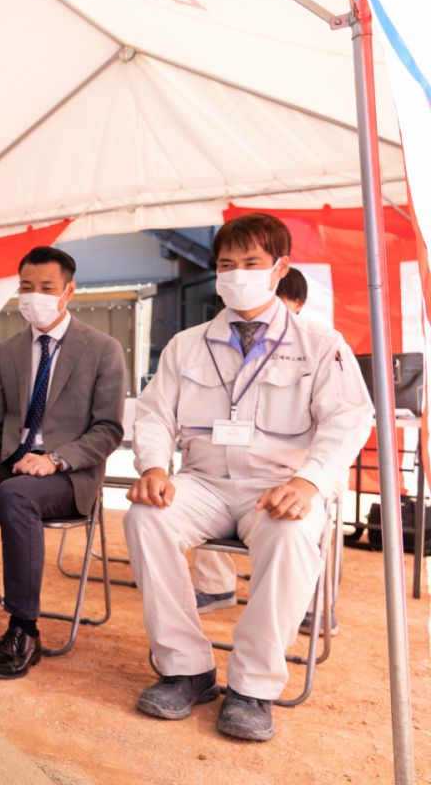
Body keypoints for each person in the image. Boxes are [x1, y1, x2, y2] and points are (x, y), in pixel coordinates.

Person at [124, 213, 371, 742]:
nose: (236, 274)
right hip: (205, 482)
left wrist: (308, 484)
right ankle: (186, 670)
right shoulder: (186, 345)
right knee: (146, 516)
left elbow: (349, 419)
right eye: (226, 265)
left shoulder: (320, 343)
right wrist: (151, 466)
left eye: (251, 264)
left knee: (292, 532)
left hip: (279, 485)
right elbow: (154, 414)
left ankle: (253, 687)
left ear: (280, 268)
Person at [0, 247, 124, 678]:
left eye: (46, 288)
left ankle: (23, 628)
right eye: (27, 288)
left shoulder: (103, 350)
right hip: (10, 465)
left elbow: (108, 430)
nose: (35, 296)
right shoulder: (7, 351)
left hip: (67, 475)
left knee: (16, 495)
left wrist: (55, 459)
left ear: (68, 291)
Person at [191, 266, 310, 614]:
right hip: (221, 466)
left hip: (286, 474)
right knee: (196, 487)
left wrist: (309, 481)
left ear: (298, 304)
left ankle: (309, 604)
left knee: (301, 522)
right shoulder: (211, 339)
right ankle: (214, 587)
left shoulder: (316, 343)